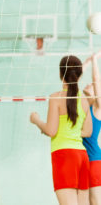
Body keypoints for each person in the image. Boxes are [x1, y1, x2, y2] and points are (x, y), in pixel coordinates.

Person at [30, 55, 92, 205]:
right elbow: (88, 131)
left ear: (60, 74)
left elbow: (51, 131)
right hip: (82, 157)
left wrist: (36, 120)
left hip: (64, 156)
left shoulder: (56, 97)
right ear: (79, 75)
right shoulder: (83, 98)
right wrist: (71, 132)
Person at [83, 52, 101, 205]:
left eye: (92, 86)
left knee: (95, 202)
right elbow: (71, 82)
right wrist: (86, 62)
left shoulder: (97, 108)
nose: (89, 84)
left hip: (94, 160)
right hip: (80, 162)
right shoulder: (82, 107)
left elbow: (96, 80)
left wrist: (95, 60)